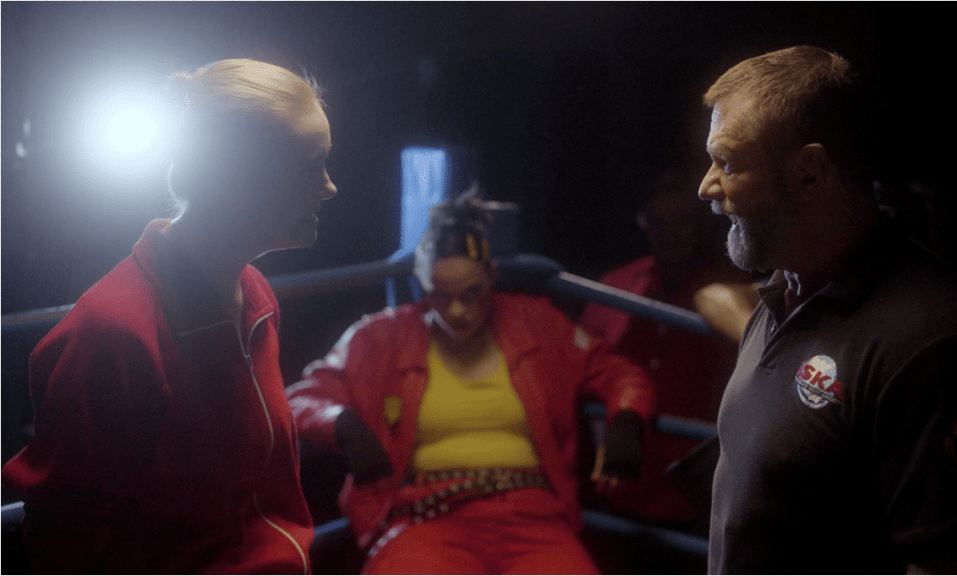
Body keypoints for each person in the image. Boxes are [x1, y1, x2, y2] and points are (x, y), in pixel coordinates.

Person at [1, 58, 337, 573]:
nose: (329, 187)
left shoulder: (254, 295)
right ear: (236, 179)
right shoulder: (114, 331)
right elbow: (66, 542)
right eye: (309, 166)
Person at [697, 45, 957, 574]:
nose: (706, 186)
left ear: (810, 173)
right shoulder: (785, 291)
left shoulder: (929, 342)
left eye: (726, 163)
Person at [288, 189, 655, 575]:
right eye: (440, 295)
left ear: (491, 276)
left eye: (472, 293)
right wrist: (342, 426)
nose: (458, 310)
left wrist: (627, 420)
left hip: (534, 515)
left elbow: (616, 371)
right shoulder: (380, 336)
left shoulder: (537, 324)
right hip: (428, 516)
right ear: (422, 286)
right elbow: (302, 398)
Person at [578, 170, 755, 528]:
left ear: (701, 225)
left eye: (681, 222)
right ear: (644, 224)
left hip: (698, 491)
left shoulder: (736, 296)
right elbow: (584, 366)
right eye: (658, 222)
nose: (669, 233)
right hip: (619, 479)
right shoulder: (615, 287)